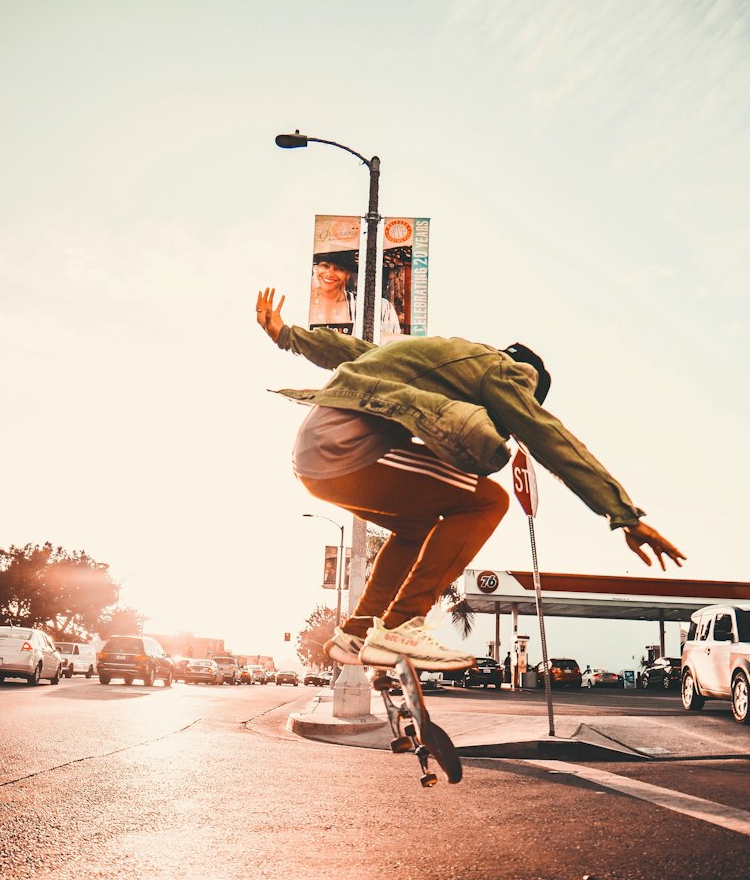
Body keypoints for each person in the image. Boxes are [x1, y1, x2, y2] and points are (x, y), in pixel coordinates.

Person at [256, 287, 685, 670]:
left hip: (318, 452)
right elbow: (551, 438)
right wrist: (623, 515)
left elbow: (351, 350)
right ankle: (403, 626)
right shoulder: (507, 372)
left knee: (416, 526)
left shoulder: (440, 357)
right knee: (487, 501)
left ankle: (359, 630)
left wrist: (285, 335)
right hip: (349, 449)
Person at [308, 250, 402, 336]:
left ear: (348, 274)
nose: (330, 273)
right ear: (317, 268)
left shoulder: (380, 308)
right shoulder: (301, 302)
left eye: (339, 269)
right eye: (325, 266)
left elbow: (390, 347)